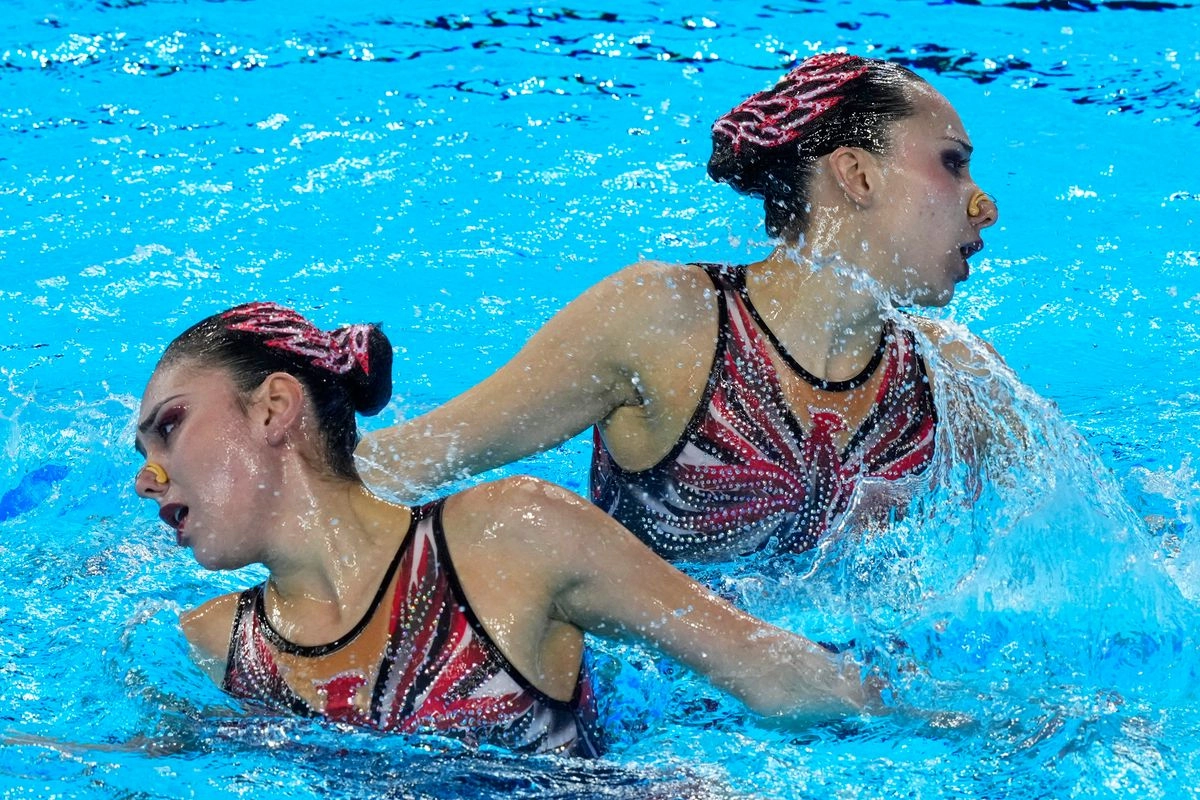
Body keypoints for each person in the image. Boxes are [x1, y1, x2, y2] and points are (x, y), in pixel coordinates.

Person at [134, 302, 881, 756]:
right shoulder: (216, 649)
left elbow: (767, 670)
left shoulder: (509, 539)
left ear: (273, 409)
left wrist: (951, 725)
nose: (148, 478)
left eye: (169, 429)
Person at [356, 52, 1001, 561]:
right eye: (953, 165)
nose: (985, 206)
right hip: (641, 706)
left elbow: (1079, 558)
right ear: (857, 174)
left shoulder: (951, 376)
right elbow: (401, 467)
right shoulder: (666, 323)